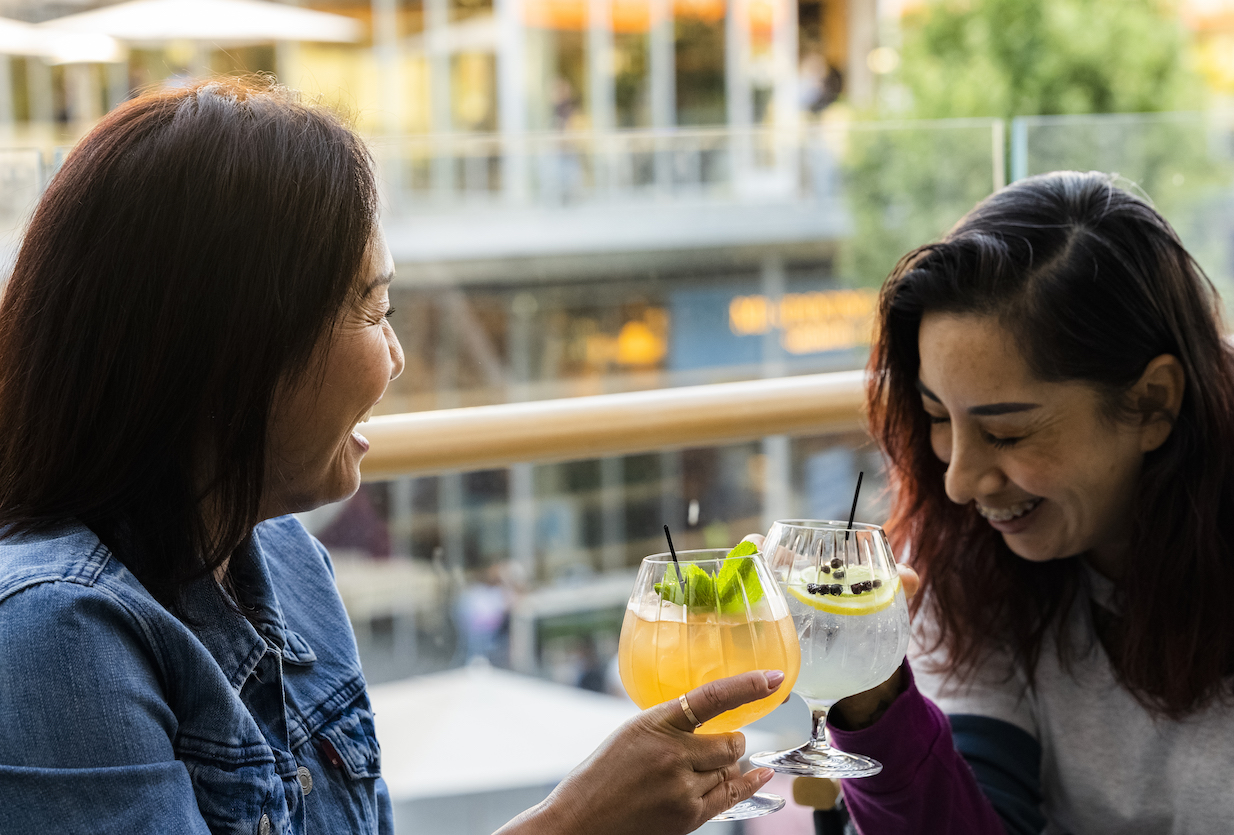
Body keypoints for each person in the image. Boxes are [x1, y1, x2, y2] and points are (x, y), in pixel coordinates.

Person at [0, 78, 783, 834]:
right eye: (374, 306)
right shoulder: (53, 636)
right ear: (238, 348)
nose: (398, 355)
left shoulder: (288, 564)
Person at [815, 171, 1234, 834]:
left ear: (1153, 402)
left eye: (1007, 432)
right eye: (937, 417)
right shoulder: (970, 558)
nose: (959, 480)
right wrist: (873, 701)